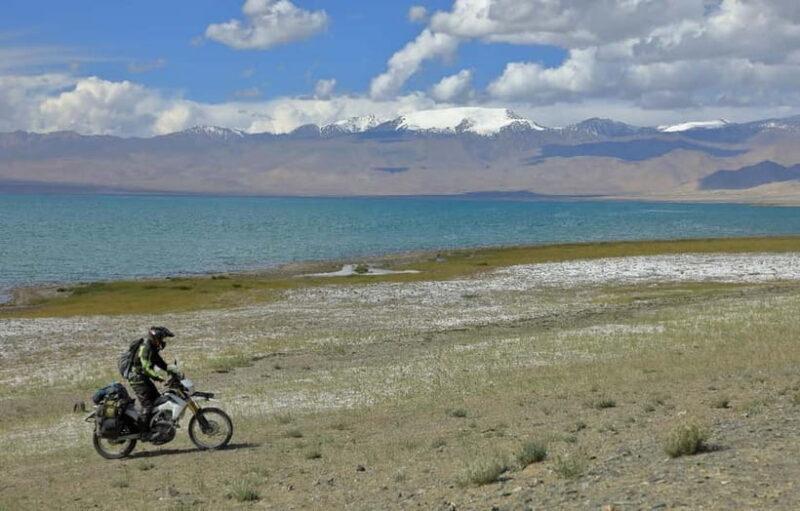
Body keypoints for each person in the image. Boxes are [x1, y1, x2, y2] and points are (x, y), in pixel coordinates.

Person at [127, 326, 175, 433]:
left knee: (158, 401)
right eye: (162, 338)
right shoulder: (145, 348)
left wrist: (172, 371)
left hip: (143, 379)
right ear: (156, 338)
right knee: (148, 406)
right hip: (137, 380)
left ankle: (156, 428)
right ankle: (143, 432)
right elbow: (146, 367)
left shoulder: (152, 348)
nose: (163, 341)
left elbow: (160, 362)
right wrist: (160, 379)